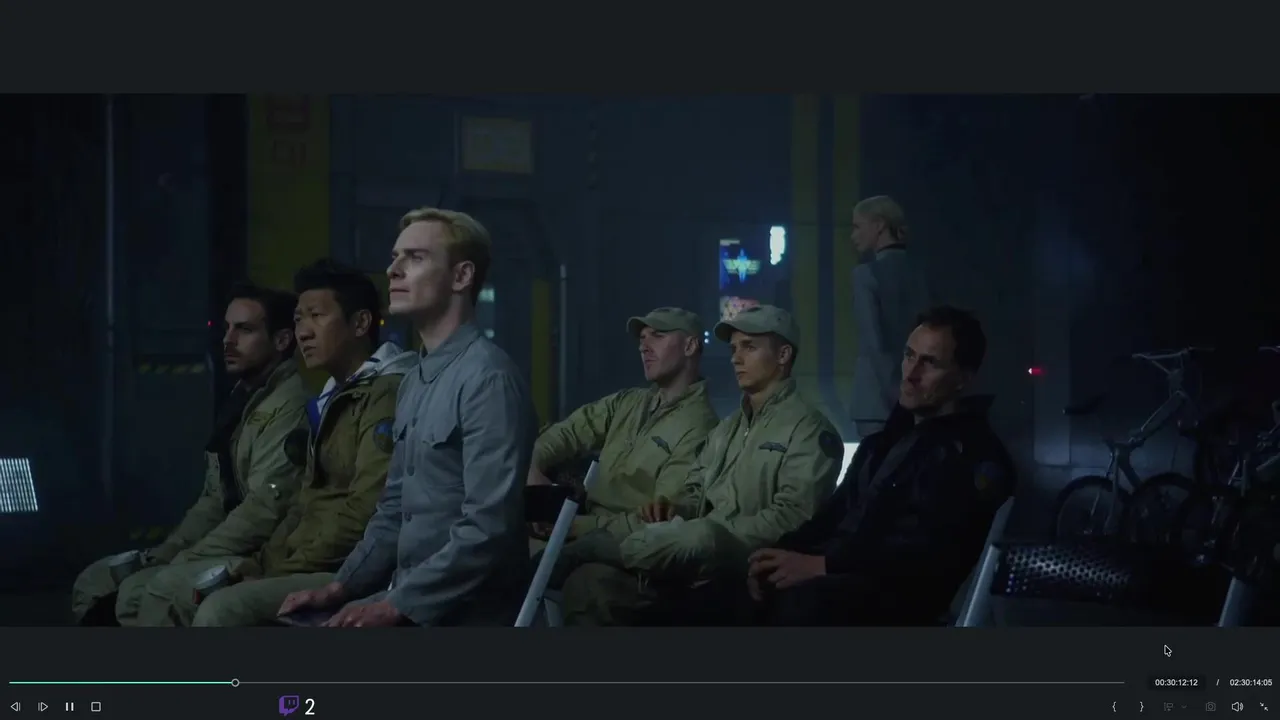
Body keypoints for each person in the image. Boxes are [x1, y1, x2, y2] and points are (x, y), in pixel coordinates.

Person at [277, 207, 538, 627]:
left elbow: (488, 528)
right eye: (395, 257)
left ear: (461, 277)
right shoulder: (415, 379)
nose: (393, 269)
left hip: (466, 613)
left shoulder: (488, 379)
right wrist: (339, 588)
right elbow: (393, 510)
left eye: (415, 257)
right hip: (411, 596)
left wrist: (395, 606)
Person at [120, 260, 417, 626]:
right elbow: (303, 501)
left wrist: (277, 569)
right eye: (299, 319)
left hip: (343, 569)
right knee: (152, 591)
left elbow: (365, 510)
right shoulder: (332, 395)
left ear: (360, 324)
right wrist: (264, 561)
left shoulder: (384, 394)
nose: (303, 332)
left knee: (215, 608)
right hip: (300, 560)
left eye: (317, 316)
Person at [552, 304, 844, 625]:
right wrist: (674, 508)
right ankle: (565, 560)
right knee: (593, 581)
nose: (736, 359)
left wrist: (718, 535)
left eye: (749, 347)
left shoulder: (810, 431)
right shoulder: (727, 430)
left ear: (783, 355)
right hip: (697, 560)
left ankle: (569, 556)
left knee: (689, 538)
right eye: (733, 349)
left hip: (741, 559)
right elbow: (695, 489)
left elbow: (794, 515)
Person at [745, 306, 1015, 626]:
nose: (911, 373)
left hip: (894, 601)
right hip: (842, 579)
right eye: (909, 356)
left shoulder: (971, 455)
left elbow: (924, 554)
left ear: (962, 378)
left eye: (929, 363)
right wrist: (776, 554)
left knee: (797, 606)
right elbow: (832, 515)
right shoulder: (881, 445)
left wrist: (824, 565)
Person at [70, 285, 308, 625]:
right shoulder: (241, 401)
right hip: (230, 543)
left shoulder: (289, 405)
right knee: (94, 580)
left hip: (262, 550)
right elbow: (214, 499)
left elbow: (264, 509)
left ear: (282, 340)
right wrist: (168, 552)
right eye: (226, 328)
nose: (228, 340)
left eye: (244, 329)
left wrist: (186, 558)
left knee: (144, 591)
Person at [527, 307, 719, 544]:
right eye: (642, 338)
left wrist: (576, 526)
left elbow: (661, 522)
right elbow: (568, 432)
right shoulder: (628, 403)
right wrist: (534, 466)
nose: (643, 347)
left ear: (690, 346)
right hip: (580, 526)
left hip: (623, 549)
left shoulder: (699, 428)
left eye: (657, 336)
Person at [848, 195, 935, 438]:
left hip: (876, 402)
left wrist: (896, 396)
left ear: (879, 225)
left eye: (857, 226)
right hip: (920, 397)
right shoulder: (921, 273)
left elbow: (874, 343)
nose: (853, 235)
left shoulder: (865, 275)